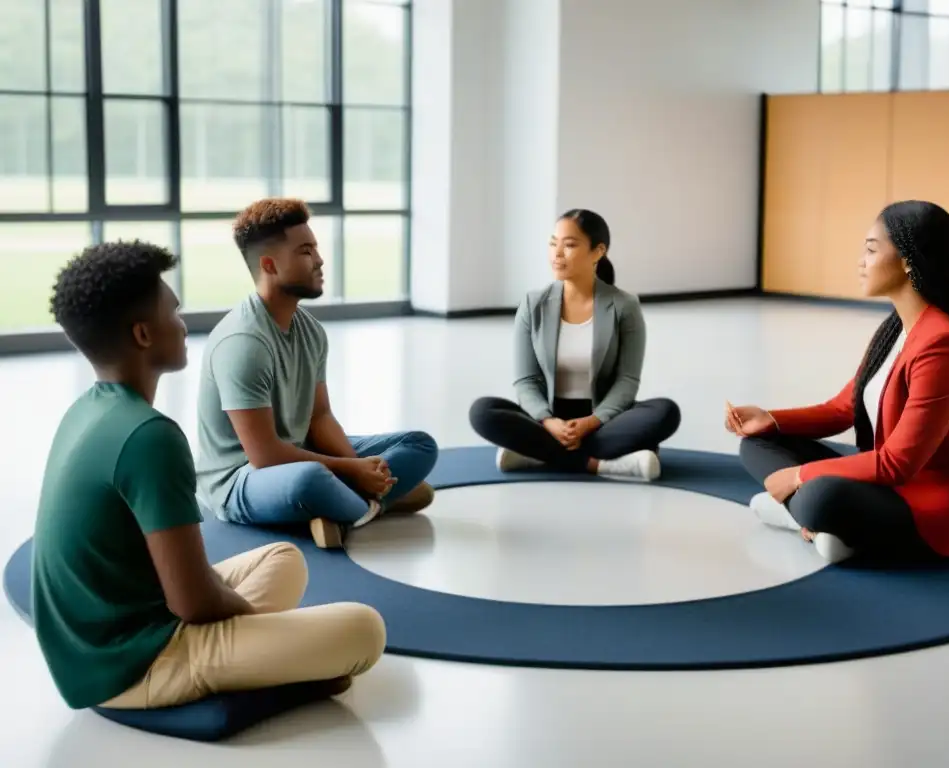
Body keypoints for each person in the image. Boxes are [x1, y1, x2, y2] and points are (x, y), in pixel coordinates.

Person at [32, 241, 386, 712]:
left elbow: (184, 586)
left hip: (104, 635)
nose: (181, 325)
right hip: (131, 666)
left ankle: (257, 657)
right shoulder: (150, 437)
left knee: (284, 559)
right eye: (172, 313)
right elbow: (194, 604)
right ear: (143, 334)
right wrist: (246, 626)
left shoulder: (87, 410)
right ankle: (246, 665)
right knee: (364, 629)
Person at [727, 200, 949, 565]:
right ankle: (827, 531)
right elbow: (844, 408)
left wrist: (799, 476)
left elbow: (896, 465)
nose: (861, 260)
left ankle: (810, 518)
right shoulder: (895, 328)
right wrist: (770, 418)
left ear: (908, 260)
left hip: (928, 504)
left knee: (822, 496)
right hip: (886, 479)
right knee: (757, 444)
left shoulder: (944, 345)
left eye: (872, 249)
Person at [195, 198, 439, 549]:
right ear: (270, 265)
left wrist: (362, 469)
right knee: (308, 481)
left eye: (316, 248)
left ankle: (347, 508)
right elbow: (263, 456)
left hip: (297, 450)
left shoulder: (310, 330)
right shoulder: (243, 342)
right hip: (241, 479)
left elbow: (320, 418)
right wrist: (353, 471)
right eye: (306, 251)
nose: (320, 260)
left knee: (419, 445)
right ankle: (368, 502)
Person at [469, 208, 681, 480]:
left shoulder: (625, 306)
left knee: (665, 412)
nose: (557, 253)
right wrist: (549, 422)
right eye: (552, 243)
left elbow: (627, 381)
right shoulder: (533, 304)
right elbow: (526, 380)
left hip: (603, 419)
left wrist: (591, 423)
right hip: (548, 419)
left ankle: (535, 455)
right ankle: (601, 464)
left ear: (597, 251)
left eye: (569, 245)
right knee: (483, 412)